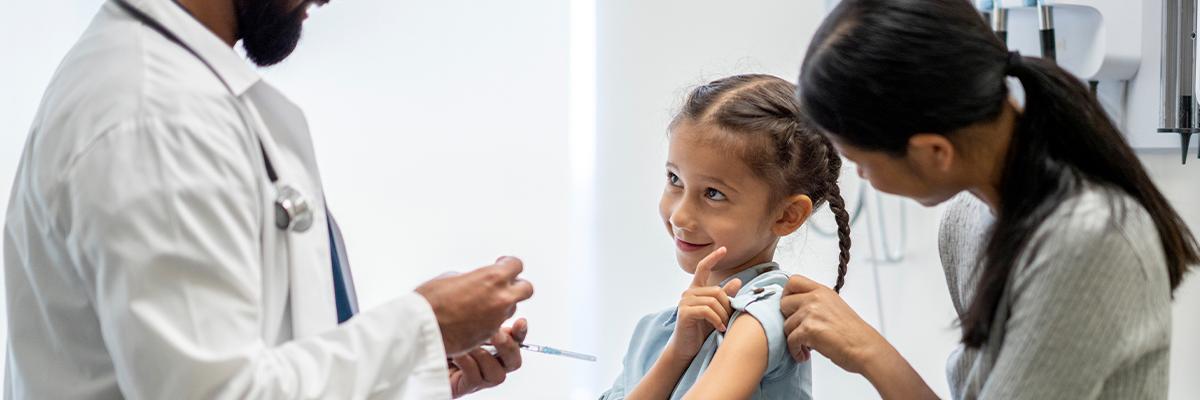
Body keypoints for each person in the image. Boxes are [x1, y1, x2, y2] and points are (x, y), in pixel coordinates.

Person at [3, 0, 534, 398]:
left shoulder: (175, 89)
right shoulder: (156, 116)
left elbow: (242, 365)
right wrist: (422, 327)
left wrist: (408, 370)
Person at [779, 0, 1199, 399]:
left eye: (861, 163)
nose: (864, 179)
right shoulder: (967, 219)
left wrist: (869, 352)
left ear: (934, 153)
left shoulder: (1090, 240)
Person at [600, 74, 851, 399]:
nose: (680, 215)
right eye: (674, 178)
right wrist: (676, 354)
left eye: (714, 194)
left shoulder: (762, 317)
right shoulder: (656, 332)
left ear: (787, 215)